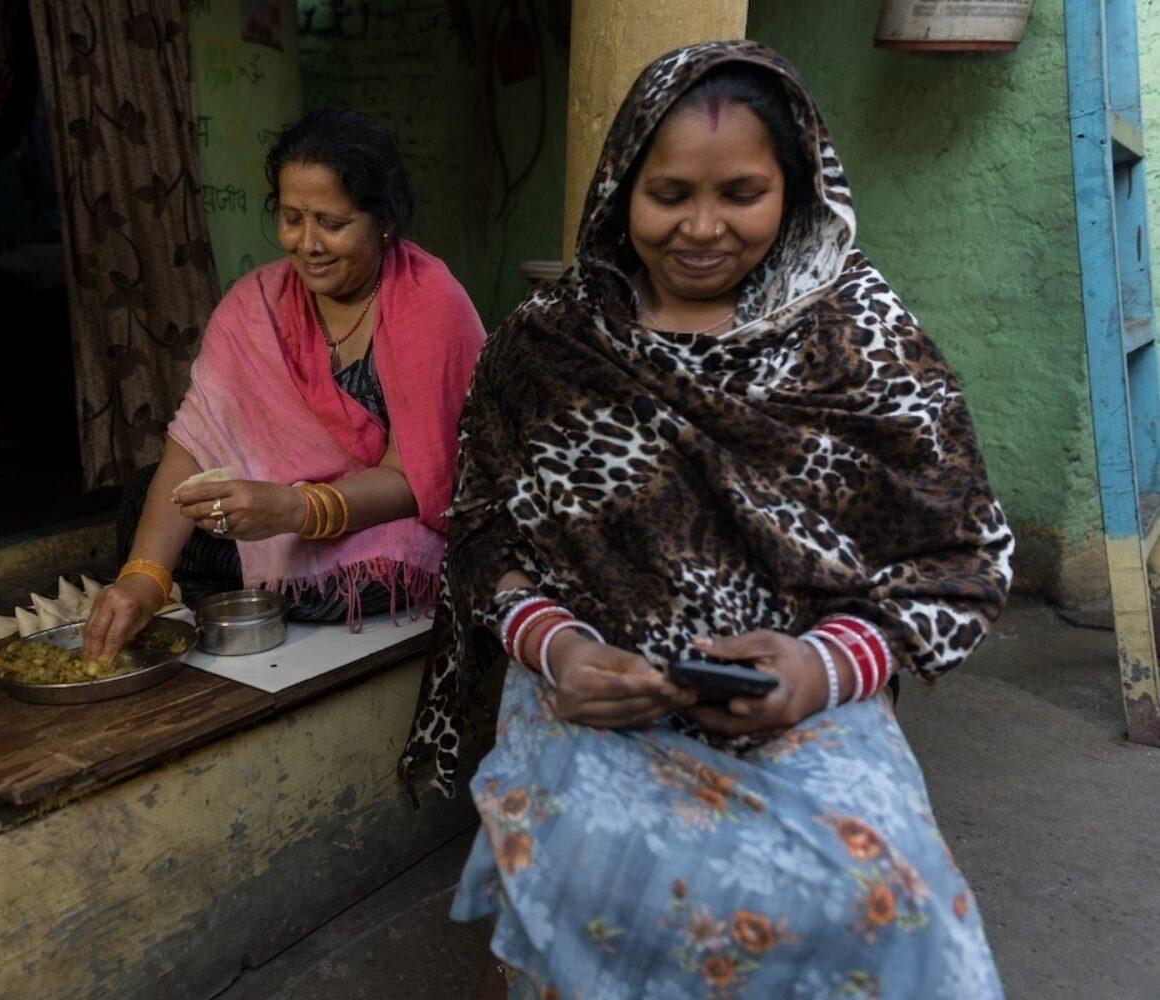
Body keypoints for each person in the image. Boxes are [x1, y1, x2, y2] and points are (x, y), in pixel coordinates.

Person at [399, 42, 1014, 999]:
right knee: (586, 868)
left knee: (883, 895)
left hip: (806, 693)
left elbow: (959, 559)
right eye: (669, 192)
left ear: (796, 187)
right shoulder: (547, 345)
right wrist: (559, 651)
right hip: (590, 683)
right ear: (619, 190)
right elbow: (482, 541)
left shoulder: (860, 331)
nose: (702, 228)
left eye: (741, 192)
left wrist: (821, 667)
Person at [84, 110, 485, 662]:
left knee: (375, 570)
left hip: (380, 528)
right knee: (148, 495)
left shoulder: (432, 306)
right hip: (274, 511)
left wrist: (296, 511)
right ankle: (243, 585)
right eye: (293, 218)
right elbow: (195, 443)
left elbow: (420, 481)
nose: (308, 243)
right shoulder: (258, 302)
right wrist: (143, 580)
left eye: (332, 222)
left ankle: (257, 589)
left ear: (384, 220)